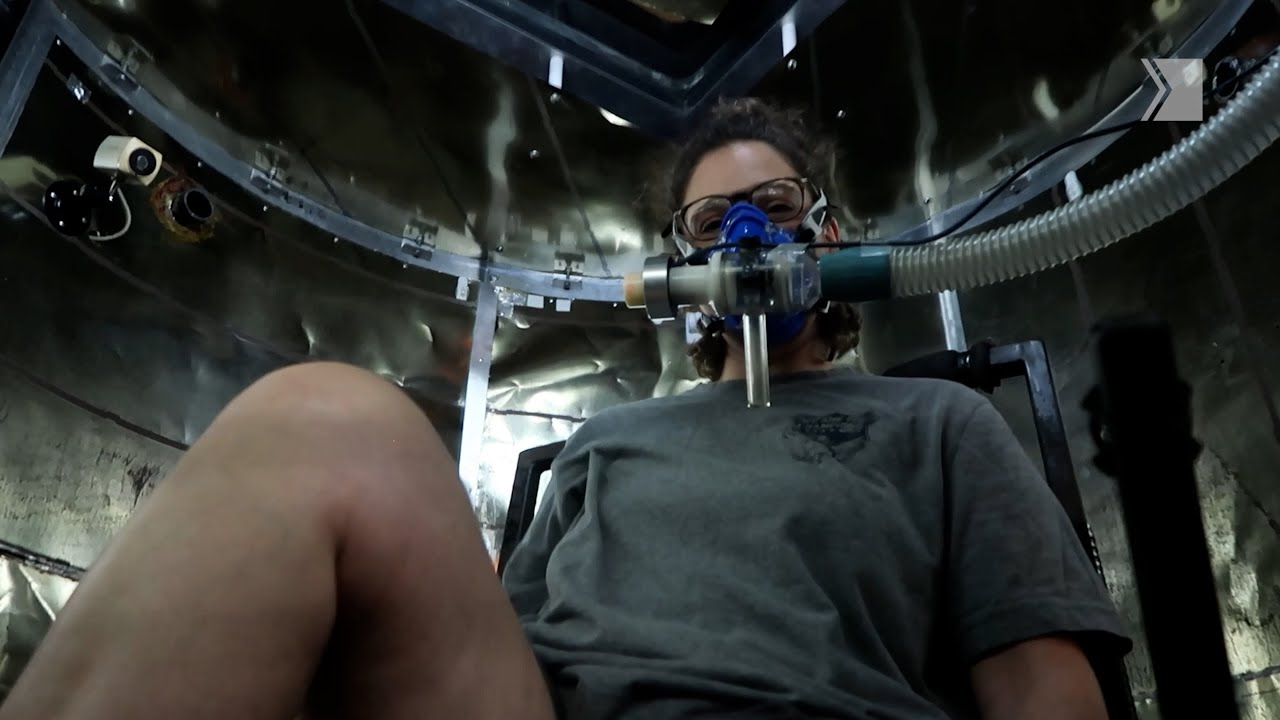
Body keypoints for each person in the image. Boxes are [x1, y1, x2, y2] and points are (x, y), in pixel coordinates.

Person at [0, 98, 1130, 720]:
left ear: (826, 236)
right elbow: (494, 649)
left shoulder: (936, 422)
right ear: (678, 268)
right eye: (711, 223)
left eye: (774, 205)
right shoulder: (603, 441)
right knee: (317, 417)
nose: (746, 236)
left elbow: (1044, 693)